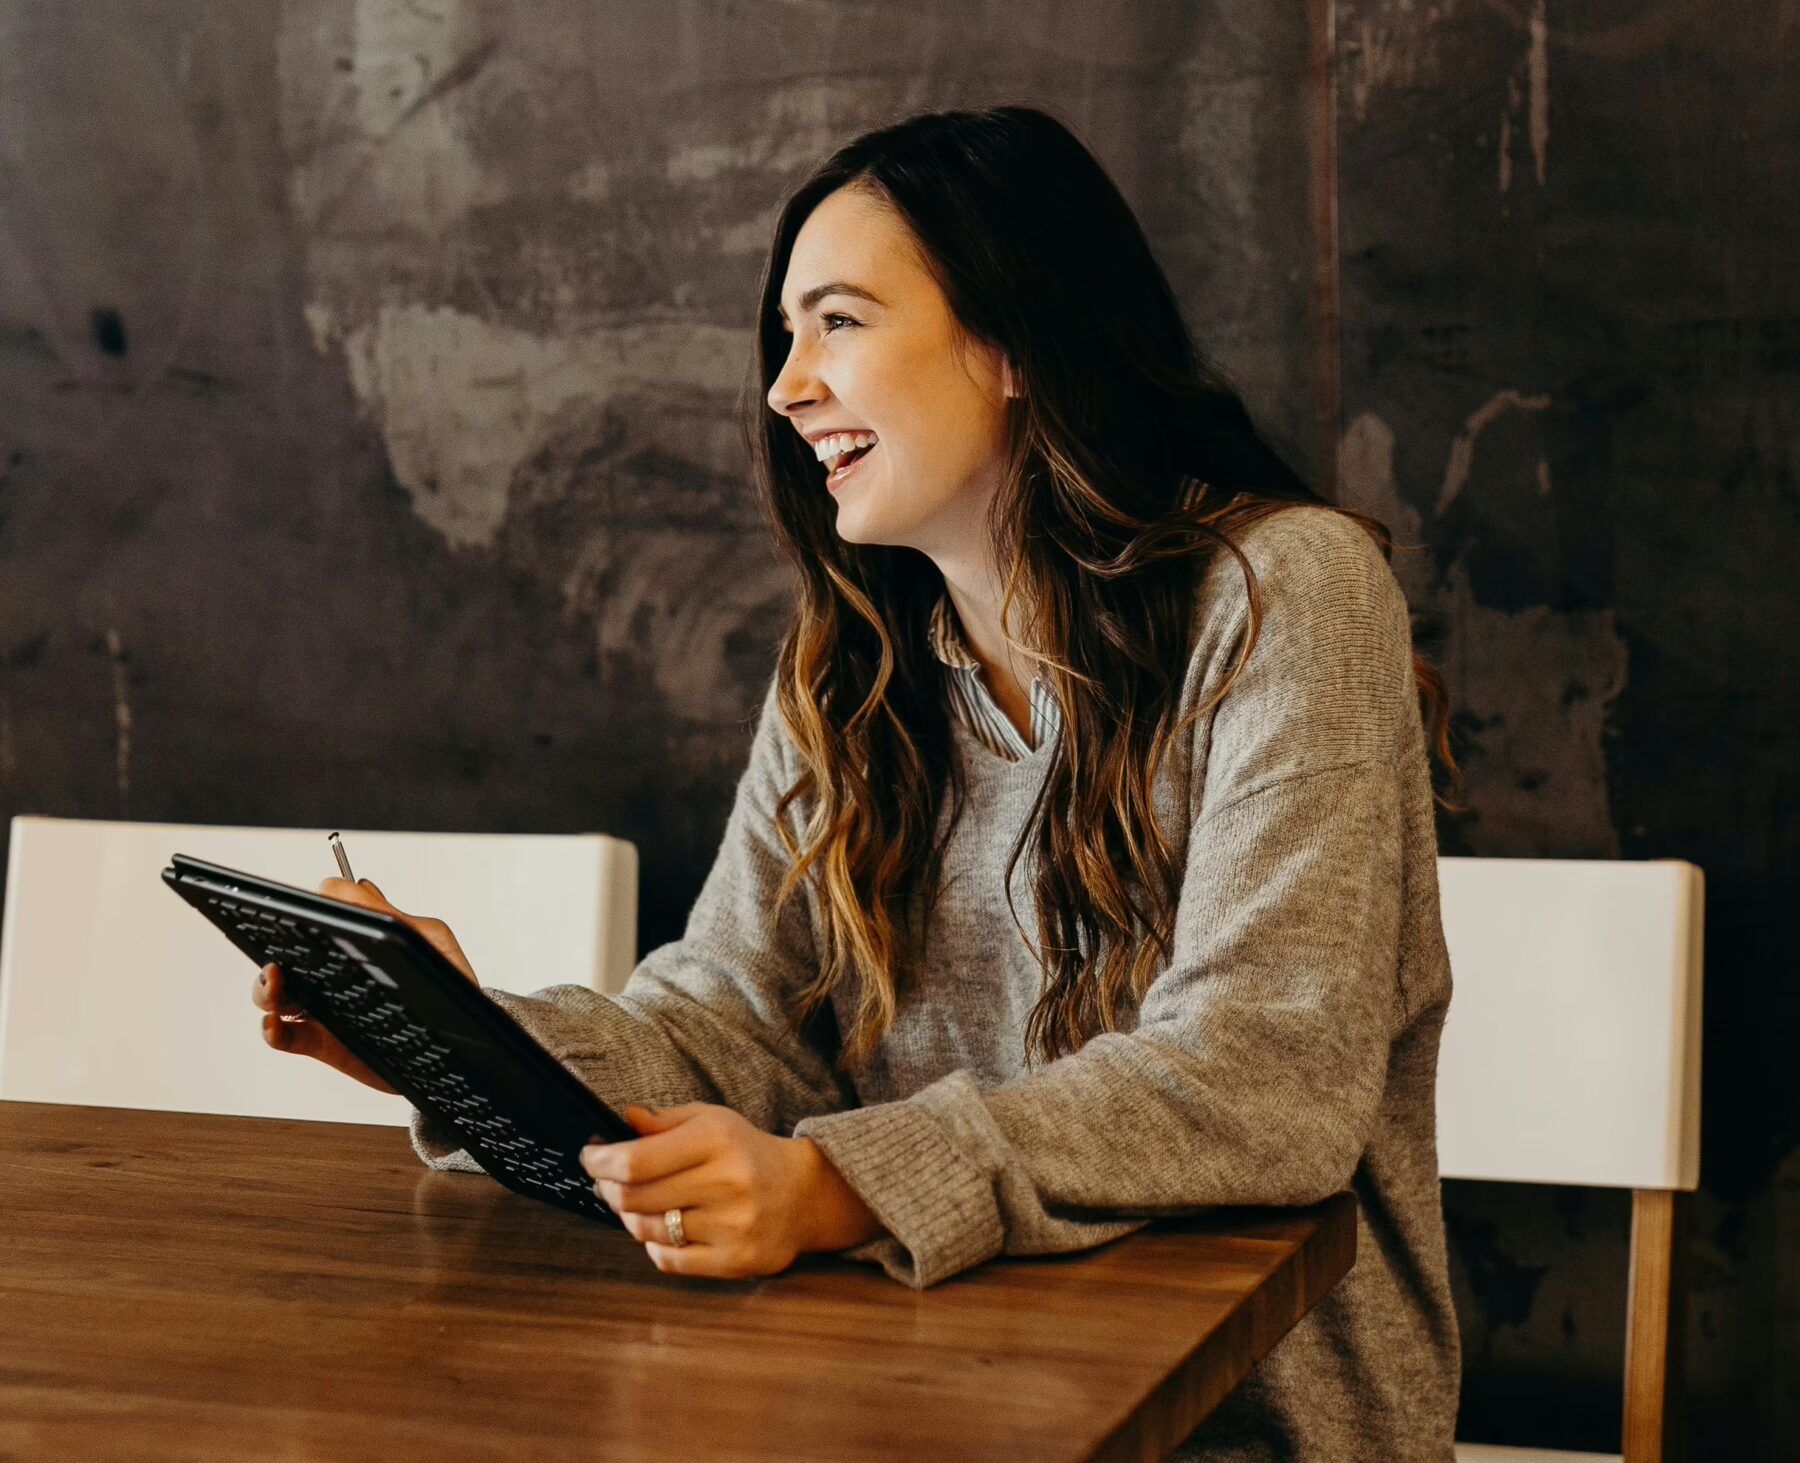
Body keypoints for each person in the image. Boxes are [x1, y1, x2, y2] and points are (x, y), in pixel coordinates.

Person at [252, 105, 1462, 1460]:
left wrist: (836, 1188)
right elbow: (732, 1027)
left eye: (836, 322)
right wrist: (467, 1044)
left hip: (1233, 1430)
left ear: (1013, 343)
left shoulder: (1284, 595)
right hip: (912, 1396)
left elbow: (1261, 1080)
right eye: (784, 336)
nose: (785, 387)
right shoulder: (853, 666)